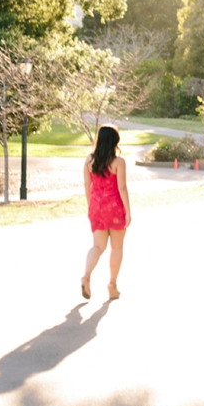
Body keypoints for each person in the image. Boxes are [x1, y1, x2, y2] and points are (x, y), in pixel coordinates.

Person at [81, 125, 132, 301]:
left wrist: (91, 205)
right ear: (114, 142)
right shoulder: (118, 163)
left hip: (96, 208)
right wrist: (128, 211)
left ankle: (86, 276)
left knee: (97, 246)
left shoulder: (89, 161)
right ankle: (112, 285)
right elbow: (122, 188)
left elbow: (88, 186)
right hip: (115, 209)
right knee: (116, 248)